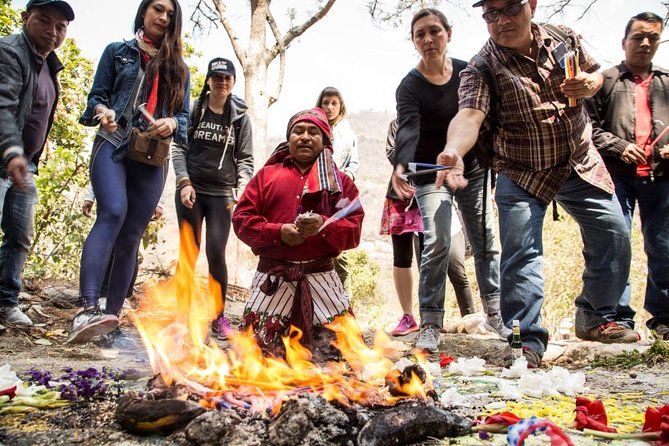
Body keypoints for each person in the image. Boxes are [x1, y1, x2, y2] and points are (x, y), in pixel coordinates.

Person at [437, 0, 637, 367]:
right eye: (490, 15)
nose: (501, 21)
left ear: (531, 5)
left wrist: (589, 84)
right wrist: (453, 149)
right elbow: (469, 115)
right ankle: (525, 340)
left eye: (510, 8)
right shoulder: (482, 68)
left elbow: (596, 75)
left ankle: (595, 316)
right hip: (521, 170)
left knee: (614, 233)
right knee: (521, 254)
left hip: (578, 160)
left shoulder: (564, 38)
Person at [68, 0, 190, 344]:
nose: (163, 17)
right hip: (114, 142)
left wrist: (171, 122)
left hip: (152, 156)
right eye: (157, 9)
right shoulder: (116, 52)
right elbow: (95, 99)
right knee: (113, 212)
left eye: (170, 14)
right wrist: (102, 110)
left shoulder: (179, 68)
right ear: (143, 12)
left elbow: (185, 119)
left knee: (132, 233)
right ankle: (85, 309)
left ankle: (109, 318)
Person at [391, 8, 507, 353]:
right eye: (420, 34)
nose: (428, 39)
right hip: (430, 171)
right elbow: (408, 127)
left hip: (471, 168)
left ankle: (495, 313)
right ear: (414, 42)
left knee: (484, 237)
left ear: (448, 34)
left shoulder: (467, 72)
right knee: (438, 239)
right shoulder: (410, 85)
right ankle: (430, 322)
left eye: (434, 31)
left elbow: (483, 115)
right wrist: (400, 163)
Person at [232, 107, 364, 354]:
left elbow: (354, 228)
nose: (304, 136)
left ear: (325, 141)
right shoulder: (266, 176)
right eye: (298, 131)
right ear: (288, 138)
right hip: (272, 278)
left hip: (322, 278)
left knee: (344, 358)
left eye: (313, 132)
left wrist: (323, 226)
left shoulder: (341, 183)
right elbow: (241, 220)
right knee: (254, 357)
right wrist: (278, 232)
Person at [586, 12, 669, 339]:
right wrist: (619, 146)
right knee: (613, 245)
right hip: (615, 177)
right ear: (624, 42)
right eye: (638, 37)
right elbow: (588, 129)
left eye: (652, 37)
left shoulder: (667, 82)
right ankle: (614, 318)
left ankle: (664, 319)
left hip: (661, 178)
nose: (645, 43)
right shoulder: (604, 81)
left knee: (663, 248)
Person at [0, 0, 75, 327]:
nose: (52, 31)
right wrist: (12, 151)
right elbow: (2, 106)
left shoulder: (49, 64)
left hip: (24, 166)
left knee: (20, 235)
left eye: (60, 27)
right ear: (25, 18)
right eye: (45, 21)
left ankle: (5, 302)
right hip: (8, 158)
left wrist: (24, 158)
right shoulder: (9, 52)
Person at [172, 57, 253, 340]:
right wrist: (184, 182)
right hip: (191, 191)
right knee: (188, 253)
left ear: (232, 83)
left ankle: (218, 317)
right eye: (216, 77)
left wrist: (242, 188)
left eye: (227, 78)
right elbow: (179, 148)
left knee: (216, 253)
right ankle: (182, 315)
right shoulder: (194, 109)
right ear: (208, 80)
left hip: (222, 195)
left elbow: (245, 158)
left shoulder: (240, 117)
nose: (221, 82)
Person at [382, 119, 475, 336]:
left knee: (431, 251)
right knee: (402, 256)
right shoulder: (397, 124)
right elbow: (393, 154)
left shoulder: (441, 120)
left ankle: (431, 317)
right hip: (400, 192)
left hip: (433, 189)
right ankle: (407, 316)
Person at [316, 87, 359, 295]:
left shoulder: (348, 133)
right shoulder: (313, 128)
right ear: (320, 104)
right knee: (314, 244)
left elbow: (354, 164)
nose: (330, 107)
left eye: (334, 103)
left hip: (340, 197)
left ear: (341, 105)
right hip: (314, 194)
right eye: (326, 102)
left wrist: (346, 178)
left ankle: (343, 302)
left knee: (339, 250)